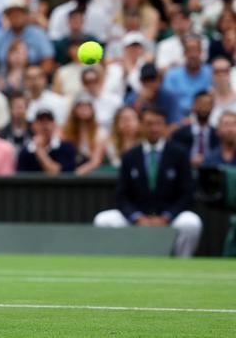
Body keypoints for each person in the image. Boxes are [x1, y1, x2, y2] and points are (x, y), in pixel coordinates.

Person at [93, 106, 203, 258]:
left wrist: (167, 217)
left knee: (191, 223)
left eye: (158, 123)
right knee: (103, 220)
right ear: (141, 126)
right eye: (149, 124)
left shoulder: (179, 153)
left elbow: (187, 193)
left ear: (165, 126)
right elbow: (121, 195)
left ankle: (182, 262)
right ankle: (117, 262)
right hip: (138, 216)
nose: (154, 128)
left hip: (169, 216)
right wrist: (137, 217)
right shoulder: (130, 156)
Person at [162, 34, 212, 119]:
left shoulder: (211, 72)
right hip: (178, 119)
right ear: (184, 53)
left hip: (205, 118)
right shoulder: (172, 75)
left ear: (201, 52)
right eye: (189, 51)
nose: (193, 55)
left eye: (196, 50)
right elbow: (167, 102)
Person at [61, 93, 108, 175]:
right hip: (70, 168)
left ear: (92, 109)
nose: (84, 109)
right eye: (80, 105)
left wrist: (75, 174)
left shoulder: (100, 132)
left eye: (87, 105)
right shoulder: (65, 131)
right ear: (74, 109)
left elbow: (95, 161)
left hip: (90, 173)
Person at [17, 109, 77, 173]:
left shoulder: (66, 147)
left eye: (48, 121)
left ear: (54, 124)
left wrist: (39, 151)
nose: (45, 125)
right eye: (41, 121)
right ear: (33, 126)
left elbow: (59, 173)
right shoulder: (26, 152)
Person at [170, 91, 219, 166]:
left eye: (207, 104)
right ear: (193, 106)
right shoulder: (179, 134)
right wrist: (188, 160)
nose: (203, 107)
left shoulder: (218, 134)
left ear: (213, 107)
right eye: (200, 104)